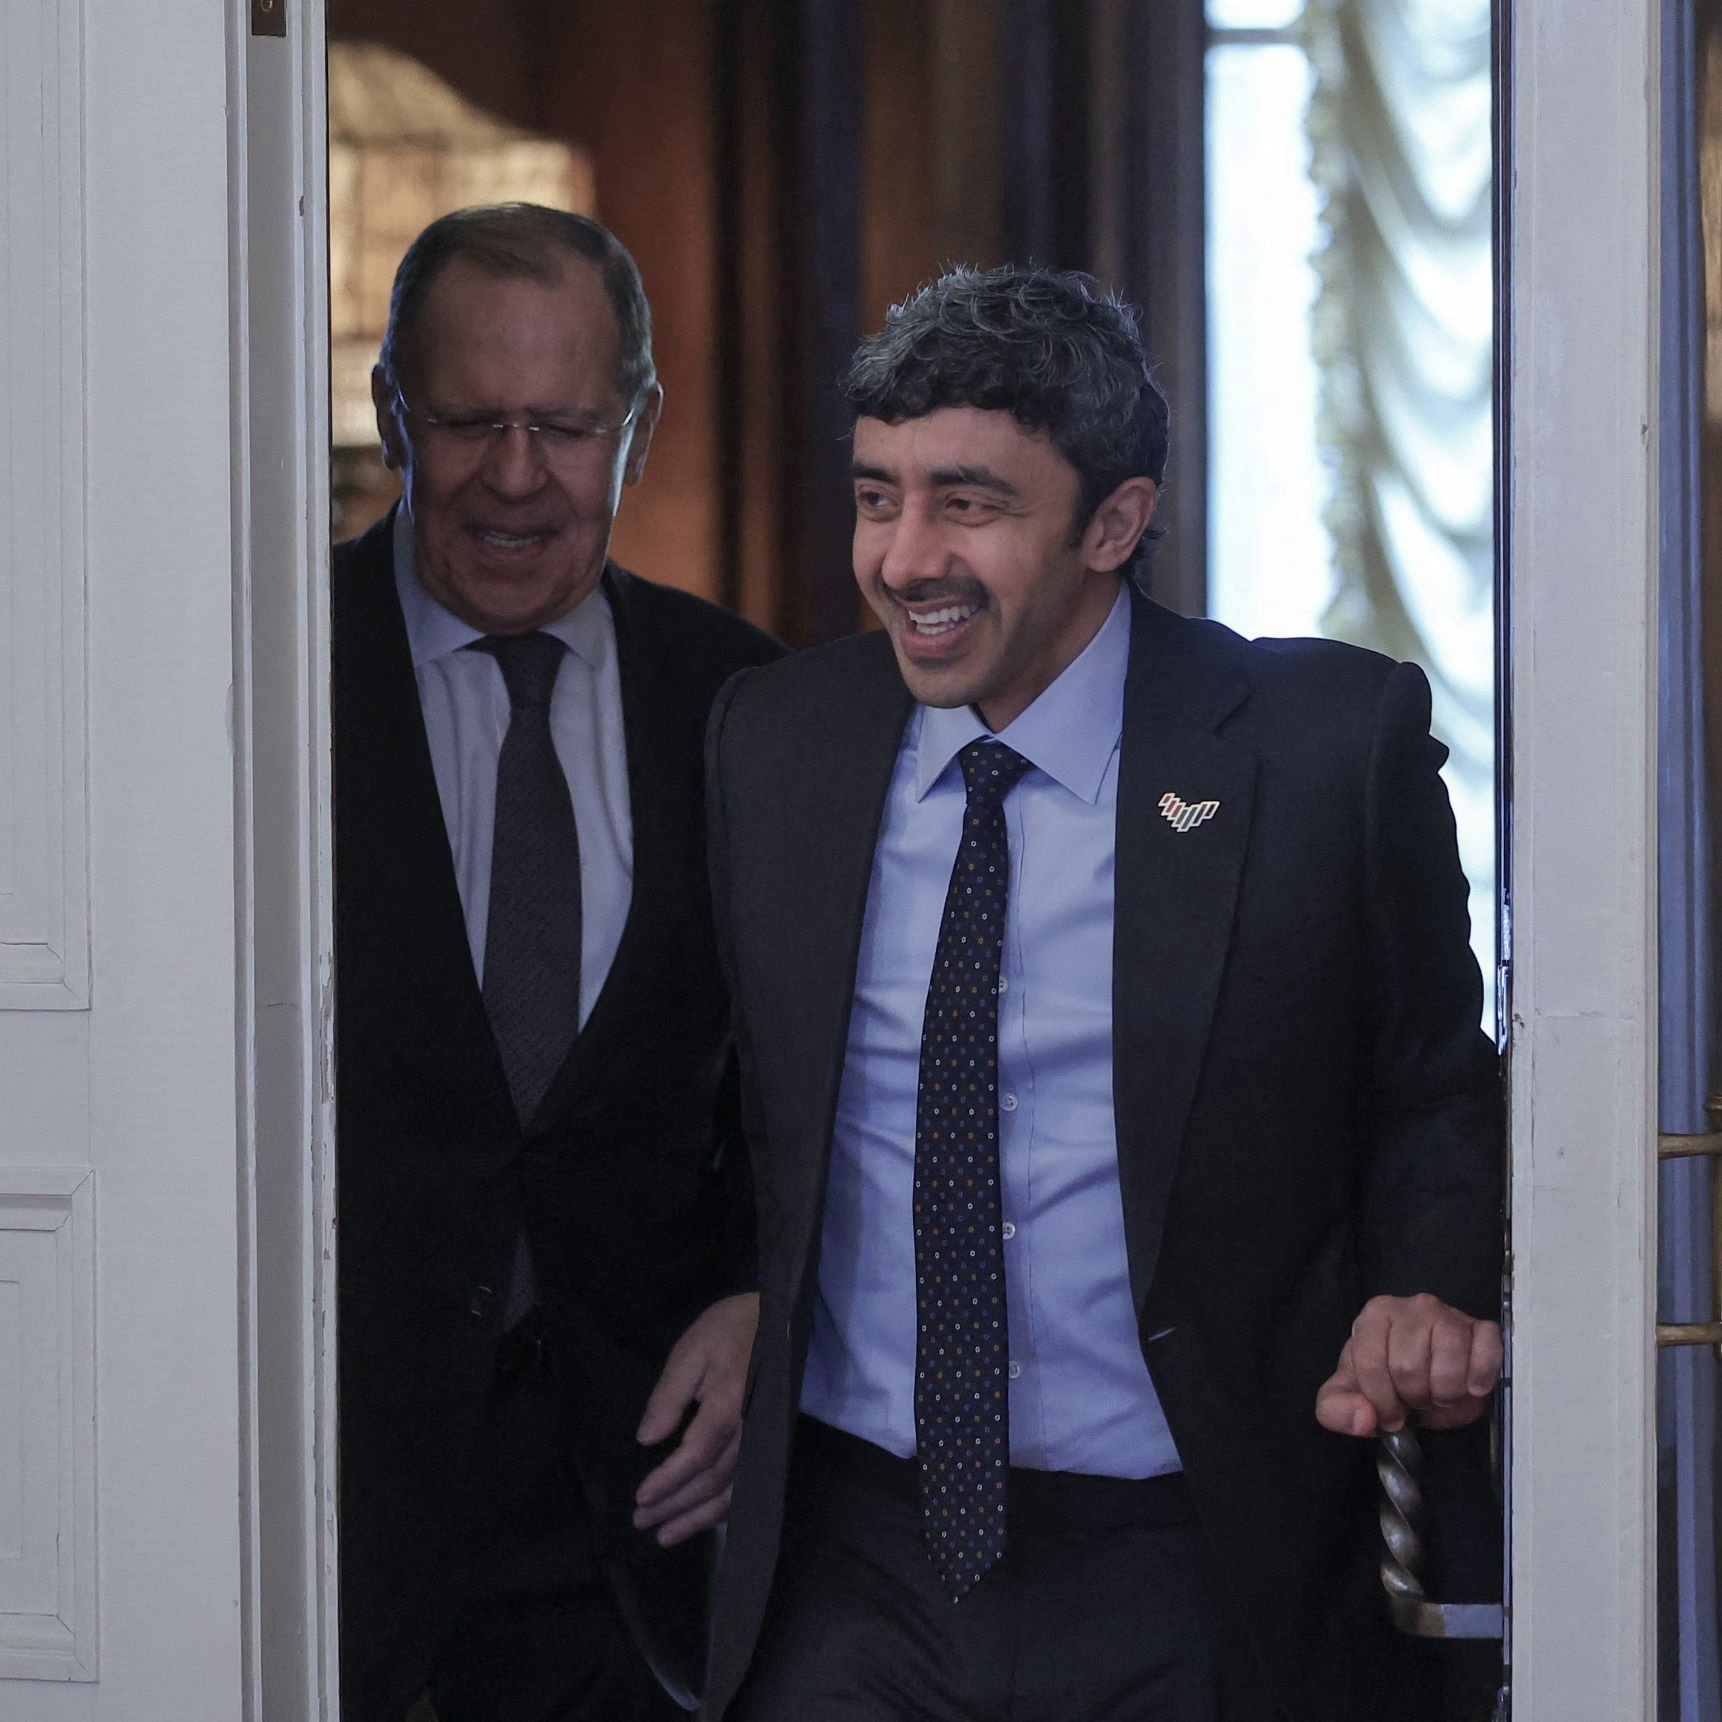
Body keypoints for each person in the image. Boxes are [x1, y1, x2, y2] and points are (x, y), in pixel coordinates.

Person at [700, 264, 1504, 1722]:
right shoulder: (777, 738)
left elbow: (1432, 1085)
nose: (903, 556)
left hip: (1191, 1554)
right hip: (853, 1550)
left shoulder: (1319, 749)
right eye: (878, 496)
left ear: (1114, 523)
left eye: (970, 503)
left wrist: (1426, 1284)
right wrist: (732, 1288)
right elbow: (726, 1091)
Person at [333, 203, 780, 1722]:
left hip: (642, 1517)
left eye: (564, 425)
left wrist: (771, 1291)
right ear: (392, 410)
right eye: (466, 422)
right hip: (316, 1484)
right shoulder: (259, 673)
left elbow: (839, 1074)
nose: (514, 477)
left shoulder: (748, 708)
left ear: (637, 425)